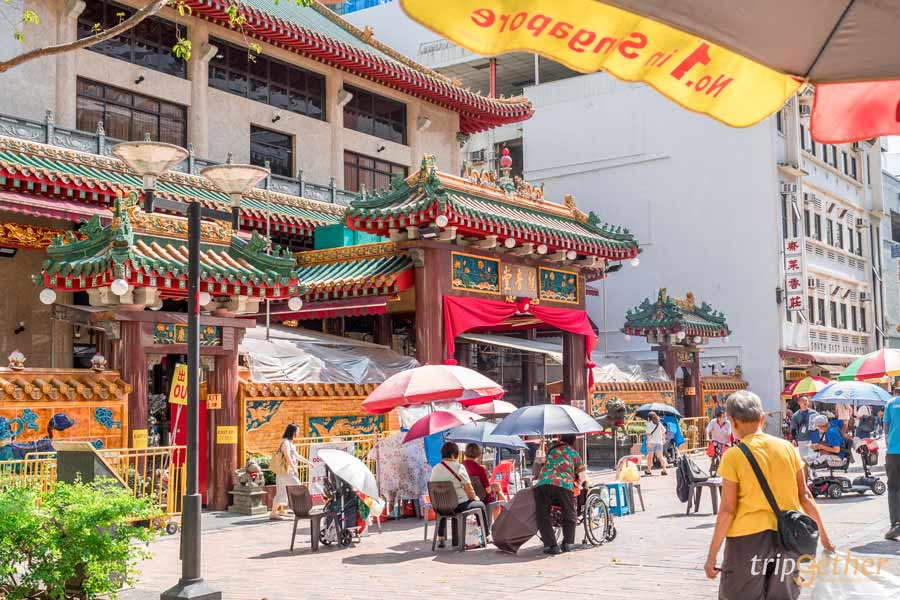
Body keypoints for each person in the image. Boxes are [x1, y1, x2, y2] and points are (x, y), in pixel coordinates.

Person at [705, 391, 834, 599]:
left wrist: (712, 557)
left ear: (733, 422)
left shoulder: (733, 457)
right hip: (788, 539)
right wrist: (825, 540)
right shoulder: (788, 449)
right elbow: (806, 497)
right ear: (762, 419)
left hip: (746, 542)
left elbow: (728, 510)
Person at [533, 433, 586, 555]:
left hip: (544, 483)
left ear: (561, 439)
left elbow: (542, 466)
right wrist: (582, 483)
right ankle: (568, 543)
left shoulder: (551, 450)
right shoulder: (573, 453)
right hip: (564, 484)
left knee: (542, 515)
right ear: (573, 442)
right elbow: (582, 475)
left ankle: (551, 545)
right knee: (569, 511)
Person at [429, 442, 486, 548]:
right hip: (458, 505)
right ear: (452, 455)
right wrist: (475, 498)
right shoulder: (459, 467)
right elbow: (469, 489)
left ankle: (441, 538)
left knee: (444, 503)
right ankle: (486, 536)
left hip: (439, 507)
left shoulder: (435, 469)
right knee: (481, 505)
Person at [270, 424, 310, 521]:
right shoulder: (286, 442)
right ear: (293, 432)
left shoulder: (291, 443)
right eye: (297, 431)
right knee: (298, 488)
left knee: (282, 492)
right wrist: (294, 468)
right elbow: (287, 456)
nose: (298, 433)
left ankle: (274, 513)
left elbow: (296, 456)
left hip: (287, 472)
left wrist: (308, 462)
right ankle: (301, 511)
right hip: (287, 472)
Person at [884, 395, 900, 541]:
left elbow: (886, 428)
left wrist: (888, 444)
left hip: (893, 452)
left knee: (894, 488)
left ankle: (895, 524)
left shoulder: (891, 403)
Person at [644, 411, 668, 476]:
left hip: (651, 442)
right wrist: (663, 439)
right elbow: (664, 431)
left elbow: (649, 435)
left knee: (650, 457)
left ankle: (649, 471)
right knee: (660, 457)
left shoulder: (649, 424)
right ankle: (664, 470)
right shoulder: (659, 424)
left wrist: (648, 443)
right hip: (659, 442)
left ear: (649, 418)